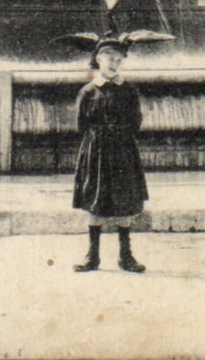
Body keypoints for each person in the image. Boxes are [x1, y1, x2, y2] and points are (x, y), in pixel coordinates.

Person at [68, 33, 157, 273]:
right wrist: (98, 138)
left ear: (123, 62)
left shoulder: (128, 91)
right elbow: (80, 124)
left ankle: (125, 255)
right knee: (95, 202)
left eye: (118, 59)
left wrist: (119, 135)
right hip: (96, 152)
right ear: (97, 60)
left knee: (124, 203)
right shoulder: (88, 92)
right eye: (107, 57)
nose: (113, 63)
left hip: (122, 152)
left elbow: (136, 122)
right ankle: (92, 256)